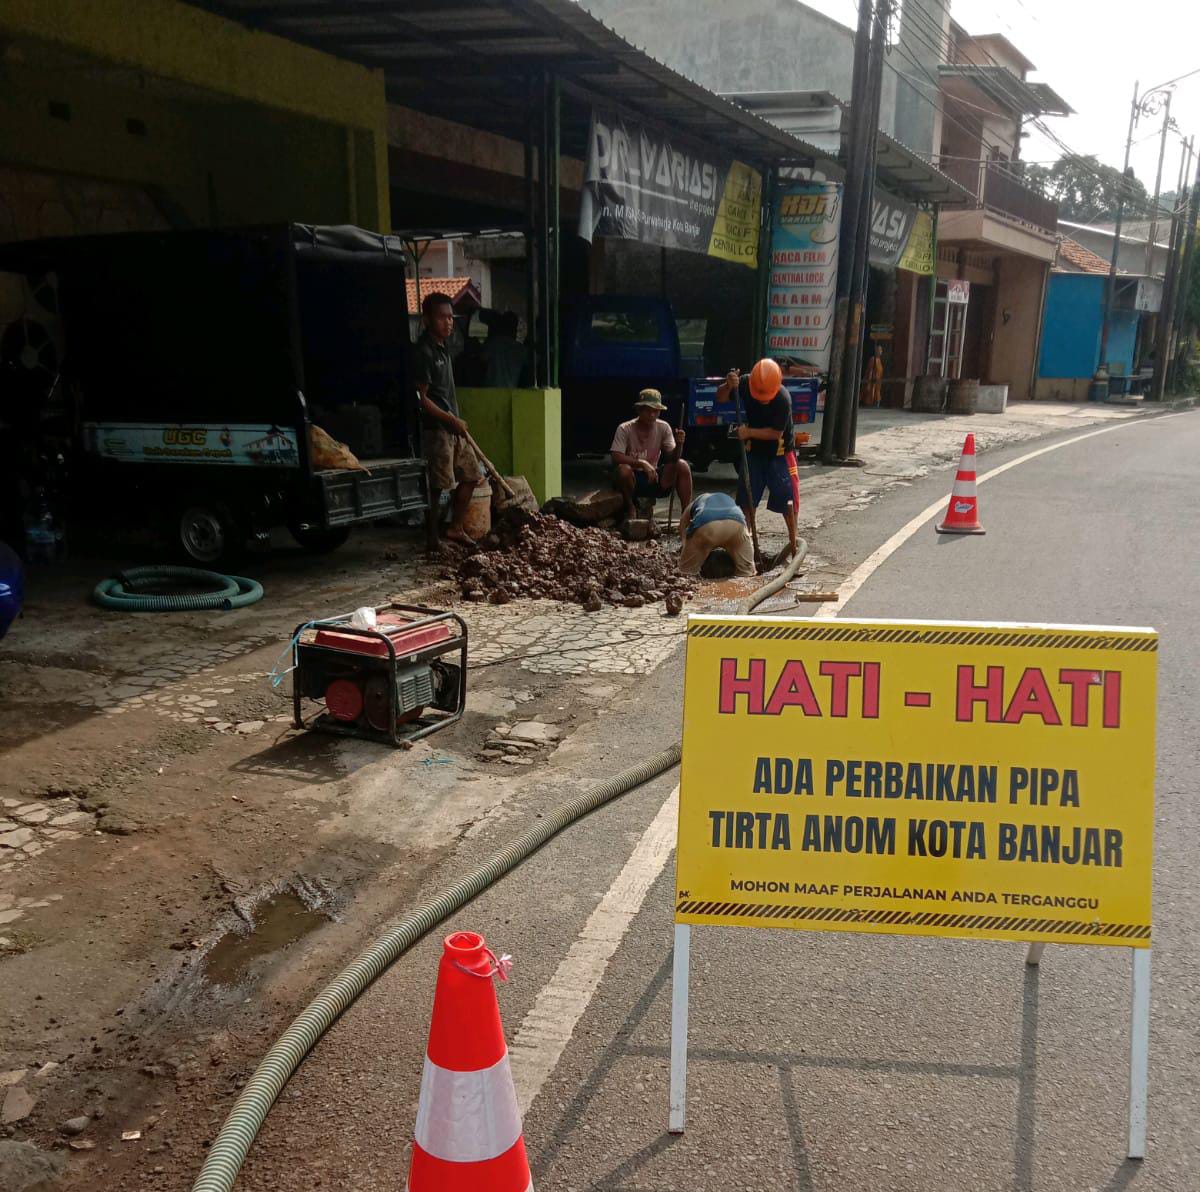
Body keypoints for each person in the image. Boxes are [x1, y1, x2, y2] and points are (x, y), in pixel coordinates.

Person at [414, 291, 483, 546]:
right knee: (437, 486)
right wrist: (449, 420)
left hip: (453, 427)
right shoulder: (424, 352)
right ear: (427, 320)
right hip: (437, 429)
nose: (448, 322)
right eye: (442, 317)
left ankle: (455, 527)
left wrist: (455, 421)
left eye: (450, 317)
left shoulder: (444, 349)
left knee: (472, 475)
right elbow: (421, 398)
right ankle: (432, 538)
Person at [714, 358, 799, 551]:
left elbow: (775, 433)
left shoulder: (783, 399)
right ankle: (747, 546)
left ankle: (794, 544)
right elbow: (720, 397)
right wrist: (728, 385)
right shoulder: (745, 383)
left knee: (787, 499)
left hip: (779, 453)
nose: (762, 398)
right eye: (759, 394)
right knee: (746, 500)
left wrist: (749, 432)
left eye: (766, 395)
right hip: (754, 452)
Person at [610, 389, 693, 524]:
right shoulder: (625, 428)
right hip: (632, 479)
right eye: (648, 410)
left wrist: (679, 444)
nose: (652, 414)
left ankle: (686, 515)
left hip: (653, 478)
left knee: (682, 465)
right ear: (639, 410)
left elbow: (673, 457)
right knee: (623, 470)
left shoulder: (663, 427)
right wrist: (642, 463)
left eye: (656, 411)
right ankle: (630, 506)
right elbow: (616, 456)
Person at [677, 491, 755, 578]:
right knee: (747, 573)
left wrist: (685, 547)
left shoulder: (694, 504)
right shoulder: (727, 499)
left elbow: (682, 526)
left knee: (686, 573)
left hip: (707, 526)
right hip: (738, 525)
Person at [481, 311, 528, 388]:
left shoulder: (493, 343)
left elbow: (482, 358)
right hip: (512, 393)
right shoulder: (521, 349)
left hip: (489, 392)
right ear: (514, 328)